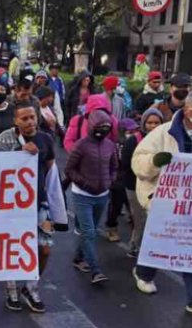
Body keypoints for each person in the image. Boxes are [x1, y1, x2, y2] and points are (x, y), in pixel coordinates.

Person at [0, 102, 66, 313]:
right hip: (11, 206)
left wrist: (56, 205)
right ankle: (11, 289)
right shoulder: (5, 139)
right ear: (15, 121)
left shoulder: (45, 138)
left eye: (32, 117)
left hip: (39, 203)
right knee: (12, 247)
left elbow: (51, 170)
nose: (30, 122)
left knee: (44, 250)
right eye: (24, 119)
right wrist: (19, 152)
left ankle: (30, 286)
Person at [131, 93, 192, 310]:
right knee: (156, 240)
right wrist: (155, 162)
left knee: (188, 247)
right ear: (186, 110)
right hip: (162, 199)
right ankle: (143, 272)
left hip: (189, 203)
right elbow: (138, 162)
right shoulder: (163, 132)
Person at [66, 109, 117, 284]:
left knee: (91, 231)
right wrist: (84, 183)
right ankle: (96, 271)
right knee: (88, 232)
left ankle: (78, 258)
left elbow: (114, 167)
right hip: (82, 196)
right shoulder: (81, 145)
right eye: (100, 126)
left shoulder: (110, 146)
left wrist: (110, 182)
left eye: (106, 126)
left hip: (102, 195)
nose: (103, 129)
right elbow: (70, 169)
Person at [120, 108, 163, 258]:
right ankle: (134, 246)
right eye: (150, 122)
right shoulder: (134, 140)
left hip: (158, 187)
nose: (153, 126)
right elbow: (125, 163)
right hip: (135, 187)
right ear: (144, 123)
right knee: (140, 219)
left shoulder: (166, 140)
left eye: (157, 123)